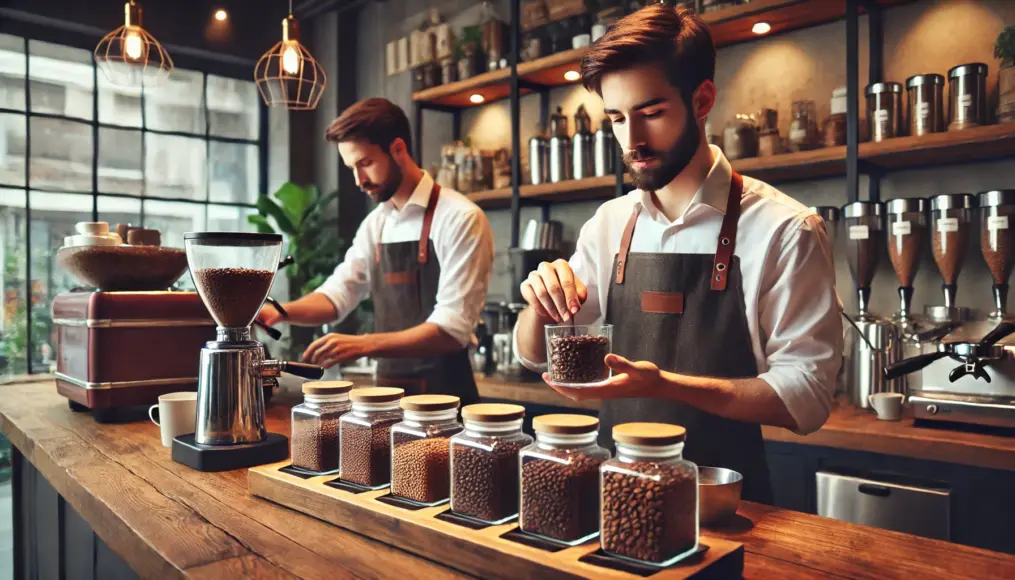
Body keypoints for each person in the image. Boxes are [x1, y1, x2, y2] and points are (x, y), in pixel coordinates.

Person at [512, 5, 842, 503]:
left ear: (702, 98)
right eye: (617, 119)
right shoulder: (609, 224)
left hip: (728, 505)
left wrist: (667, 385)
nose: (633, 141)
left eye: (651, 113)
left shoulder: (783, 228)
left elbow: (808, 397)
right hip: (614, 499)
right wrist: (539, 306)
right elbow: (535, 356)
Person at [258, 97, 494, 405]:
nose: (359, 181)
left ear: (398, 149)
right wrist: (279, 313)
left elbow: (451, 330)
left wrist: (363, 344)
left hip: (447, 405)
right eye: (351, 168)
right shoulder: (376, 224)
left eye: (365, 163)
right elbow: (337, 295)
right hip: (387, 402)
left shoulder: (460, 218)